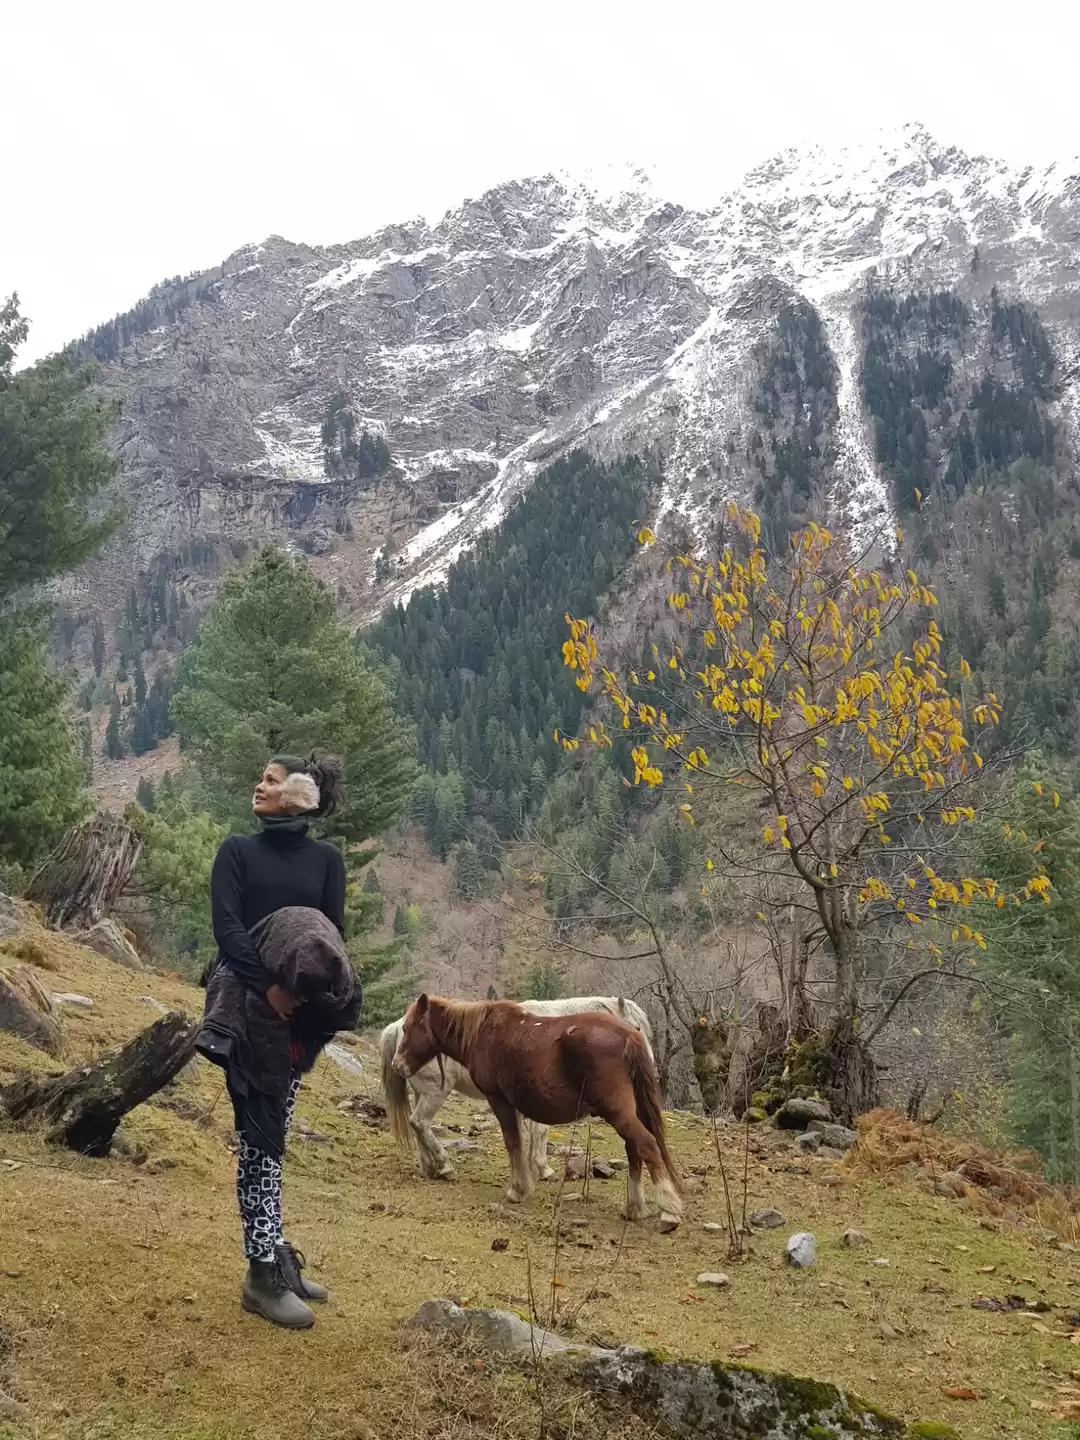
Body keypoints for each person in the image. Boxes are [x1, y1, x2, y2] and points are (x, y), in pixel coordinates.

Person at [196, 752, 355, 1329]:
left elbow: (330, 937)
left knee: (273, 1138)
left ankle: (276, 1253)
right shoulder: (237, 852)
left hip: (294, 1023)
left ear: (299, 794)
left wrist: (300, 1004)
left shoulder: (326, 861)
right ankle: (259, 1273)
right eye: (260, 778)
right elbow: (228, 929)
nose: (257, 787)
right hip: (244, 1010)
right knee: (259, 1139)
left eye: (268, 780)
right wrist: (270, 990)